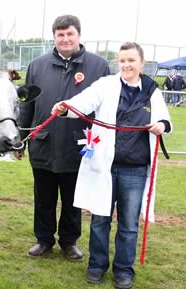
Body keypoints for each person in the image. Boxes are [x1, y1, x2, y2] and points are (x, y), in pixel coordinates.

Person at [52, 42, 172, 289]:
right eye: (122, 61)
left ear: (141, 62)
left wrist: (161, 125)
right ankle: (96, 265)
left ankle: (123, 270)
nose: (126, 65)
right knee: (99, 220)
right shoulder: (106, 85)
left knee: (128, 224)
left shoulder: (152, 90)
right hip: (104, 167)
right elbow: (83, 102)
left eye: (131, 60)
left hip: (135, 170)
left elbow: (164, 120)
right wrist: (66, 108)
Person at [17, 15, 110, 261]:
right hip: (43, 142)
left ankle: (69, 242)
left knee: (73, 198)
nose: (65, 39)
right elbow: (27, 105)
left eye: (70, 34)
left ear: (78, 35)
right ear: (54, 37)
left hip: (79, 145)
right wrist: (21, 138)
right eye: (60, 35)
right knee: (43, 197)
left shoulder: (99, 67)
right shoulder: (37, 66)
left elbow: (105, 109)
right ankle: (44, 239)